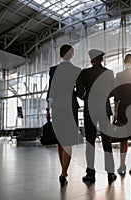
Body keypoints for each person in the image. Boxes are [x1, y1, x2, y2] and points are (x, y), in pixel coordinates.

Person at [46, 44, 83, 186]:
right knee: (67, 141)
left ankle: (63, 171)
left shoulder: (53, 70)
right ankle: (63, 172)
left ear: (60, 55)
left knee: (60, 140)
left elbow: (51, 91)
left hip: (57, 108)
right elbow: (80, 93)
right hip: (71, 107)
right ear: (72, 54)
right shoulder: (76, 70)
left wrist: (48, 108)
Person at [78, 49, 117, 184]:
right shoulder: (109, 73)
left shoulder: (84, 73)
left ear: (91, 60)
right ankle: (110, 172)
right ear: (101, 59)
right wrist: (105, 96)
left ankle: (90, 173)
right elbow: (114, 91)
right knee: (107, 140)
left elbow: (79, 92)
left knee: (90, 142)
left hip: (90, 109)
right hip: (104, 109)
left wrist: (87, 97)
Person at [113, 54, 131, 177]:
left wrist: (115, 112)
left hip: (124, 107)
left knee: (123, 138)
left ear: (124, 62)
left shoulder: (119, 76)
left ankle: (122, 164)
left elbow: (117, 96)